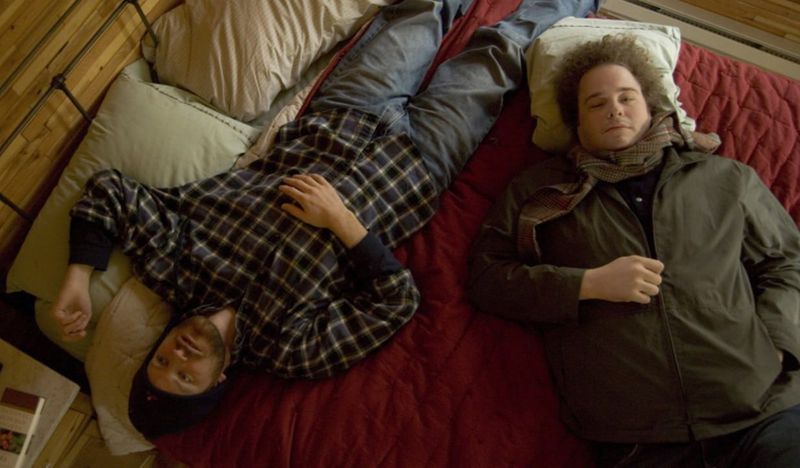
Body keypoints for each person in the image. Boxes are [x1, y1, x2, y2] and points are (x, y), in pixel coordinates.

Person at [50, 0, 599, 438]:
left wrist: (78, 277)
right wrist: (343, 223)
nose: (179, 357)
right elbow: (394, 303)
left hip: (342, 115)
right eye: (185, 378)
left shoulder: (172, 264)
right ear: (217, 382)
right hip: (421, 164)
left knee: (421, 8)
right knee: (502, 48)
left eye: (162, 362)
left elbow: (110, 192)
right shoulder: (291, 348)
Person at [467, 34, 800, 467]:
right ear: (577, 123)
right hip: (637, 438)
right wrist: (587, 285)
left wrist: (780, 345)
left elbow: (788, 262)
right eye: (596, 103)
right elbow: (488, 277)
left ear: (651, 106)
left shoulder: (725, 178)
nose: (615, 110)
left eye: (627, 97)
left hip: (763, 411)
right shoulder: (540, 192)